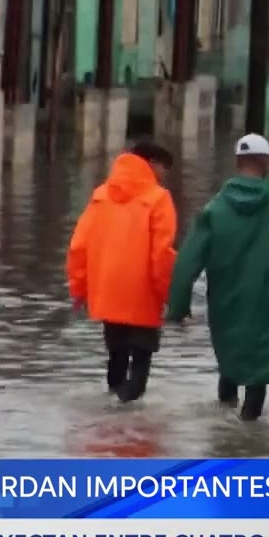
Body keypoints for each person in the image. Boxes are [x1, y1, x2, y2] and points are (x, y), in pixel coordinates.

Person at [166, 133, 269, 422]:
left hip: (226, 299)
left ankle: (224, 430)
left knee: (230, 357)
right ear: (266, 163)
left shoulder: (214, 208)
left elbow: (187, 262)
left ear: (237, 162)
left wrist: (178, 306)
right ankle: (248, 433)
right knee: (259, 367)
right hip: (268, 300)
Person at [66, 141, 178, 403]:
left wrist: (79, 290)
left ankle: (110, 426)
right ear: (151, 163)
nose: (163, 175)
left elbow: (78, 247)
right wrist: (171, 295)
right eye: (164, 168)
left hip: (107, 292)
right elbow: (161, 255)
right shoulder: (158, 199)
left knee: (116, 356)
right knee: (140, 363)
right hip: (142, 296)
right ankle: (131, 430)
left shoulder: (100, 196)